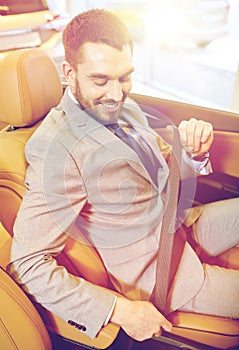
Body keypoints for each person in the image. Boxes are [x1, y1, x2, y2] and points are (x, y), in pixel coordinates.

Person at [7, 8, 239, 345]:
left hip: (182, 224)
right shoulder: (55, 152)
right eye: (100, 80)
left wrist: (193, 151)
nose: (116, 94)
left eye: (124, 77)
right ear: (69, 73)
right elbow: (27, 264)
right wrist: (121, 310)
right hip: (163, 274)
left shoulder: (123, 107)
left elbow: (165, 172)